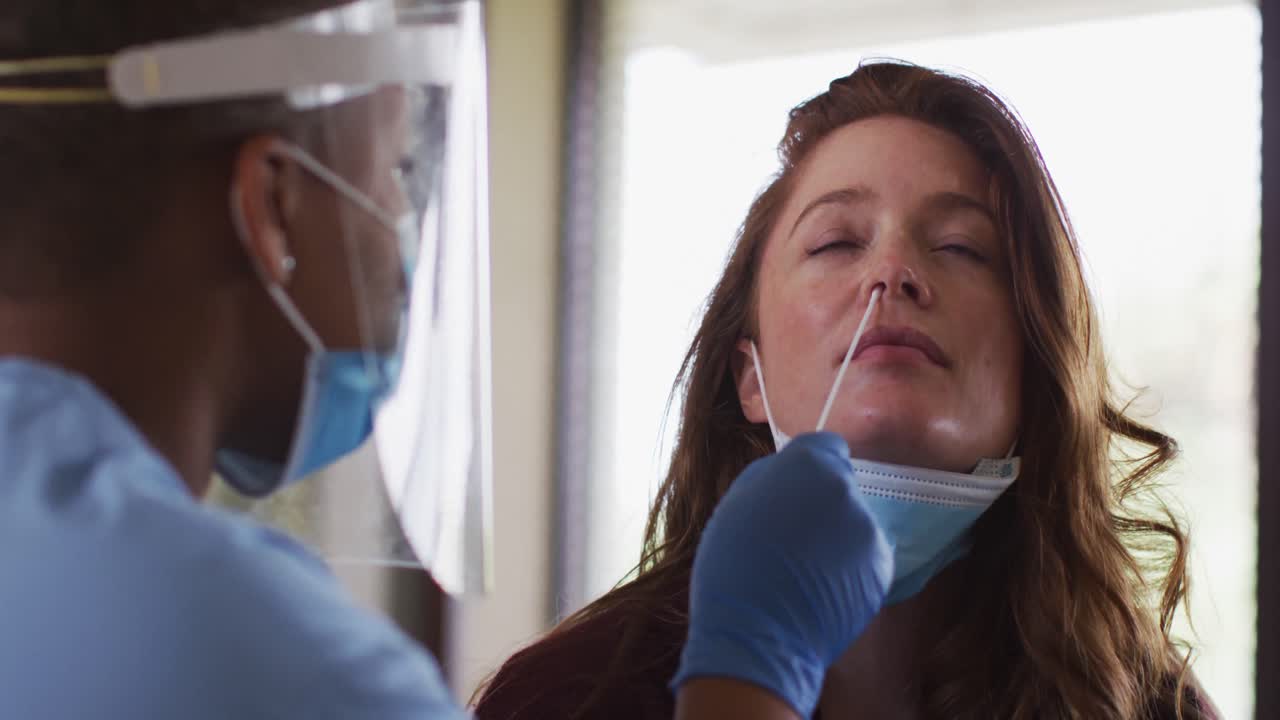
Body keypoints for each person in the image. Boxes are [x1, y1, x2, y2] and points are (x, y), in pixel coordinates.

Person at [0, 1, 895, 718]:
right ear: (271, 205)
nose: (892, 282)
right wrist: (752, 673)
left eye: (966, 248)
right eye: (394, 169)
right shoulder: (261, 661)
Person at [474, 61, 1218, 719]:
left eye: (961, 247)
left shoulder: (1146, 707)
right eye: (835, 241)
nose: (891, 273)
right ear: (747, 379)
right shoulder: (564, 700)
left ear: (1036, 372)